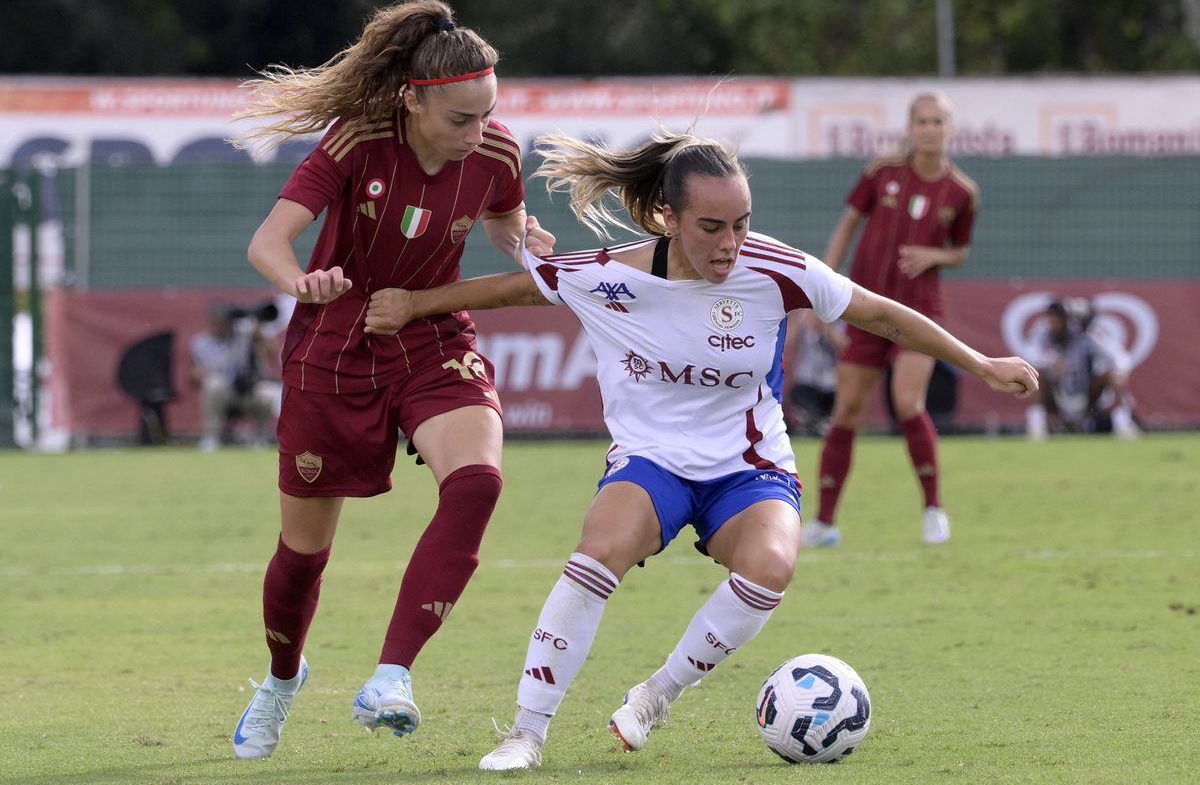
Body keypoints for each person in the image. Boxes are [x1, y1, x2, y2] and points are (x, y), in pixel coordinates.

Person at [362, 129, 1038, 770]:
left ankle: (657, 692)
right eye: (712, 227)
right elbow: (512, 289)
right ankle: (526, 732)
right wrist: (414, 303)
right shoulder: (607, 276)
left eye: (742, 223)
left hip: (749, 465)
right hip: (652, 460)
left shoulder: (778, 270)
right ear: (668, 217)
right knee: (598, 551)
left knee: (772, 565)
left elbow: (881, 313)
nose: (732, 243)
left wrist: (981, 363)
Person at [227, 0, 556, 760]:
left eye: (488, 117)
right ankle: (281, 678)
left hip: (432, 337)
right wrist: (300, 283)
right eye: (460, 120)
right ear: (413, 100)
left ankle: (391, 675)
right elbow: (269, 243)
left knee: (477, 482)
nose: (479, 134)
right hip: (335, 347)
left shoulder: (498, 152)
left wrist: (523, 241)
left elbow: (505, 219)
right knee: (303, 554)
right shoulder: (358, 139)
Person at [805, 91, 980, 549]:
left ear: (950, 128)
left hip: (921, 313)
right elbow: (848, 224)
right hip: (866, 309)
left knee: (907, 402)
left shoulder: (961, 193)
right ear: (910, 127)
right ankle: (824, 523)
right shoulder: (881, 171)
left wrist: (936, 255)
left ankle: (933, 510)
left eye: (937, 121)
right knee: (846, 411)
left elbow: (961, 251)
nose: (929, 129)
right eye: (921, 121)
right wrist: (823, 283)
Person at [1024, 296, 1139, 439]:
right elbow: (1027, 356)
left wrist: (1119, 374)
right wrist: (1050, 360)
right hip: (1057, 391)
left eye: (1058, 318)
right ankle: (1036, 428)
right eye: (1051, 318)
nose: (1053, 323)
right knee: (1035, 374)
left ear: (1067, 319)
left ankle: (1123, 425)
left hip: (1087, 392)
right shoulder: (1042, 332)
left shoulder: (1087, 333)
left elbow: (1121, 358)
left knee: (1116, 376)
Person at [189, 300, 283, 451]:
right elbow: (193, 377)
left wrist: (259, 330)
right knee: (213, 383)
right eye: (217, 321)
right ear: (211, 322)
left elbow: (271, 354)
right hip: (225, 392)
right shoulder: (201, 343)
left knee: (268, 392)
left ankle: (259, 438)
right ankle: (211, 438)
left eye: (224, 321)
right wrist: (200, 374)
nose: (221, 325)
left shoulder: (244, 335)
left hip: (249, 391)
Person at [782, 311, 846, 437]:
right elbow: (787, 343)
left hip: (834, 385)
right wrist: (800, 321)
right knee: (801, 398)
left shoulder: (841, 321)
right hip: (807, 383)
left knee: (838, 409)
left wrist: (825, 327)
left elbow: (844, 345)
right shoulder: (805, 320)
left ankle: (822, 423)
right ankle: (812, 422)